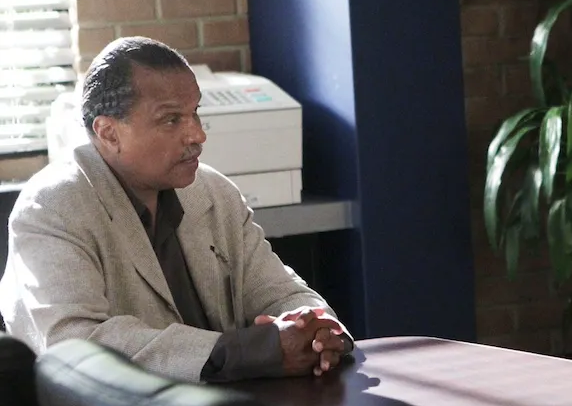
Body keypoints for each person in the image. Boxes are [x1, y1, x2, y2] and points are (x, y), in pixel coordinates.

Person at [0, 37, 350, 383]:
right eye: (171, 120)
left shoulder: (213, 191)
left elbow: (281, 292)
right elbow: (78, 346)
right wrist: (246, 351)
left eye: (195, 112)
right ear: (108, 133)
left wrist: (317, 331)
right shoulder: (53, 207)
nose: (197, 135)